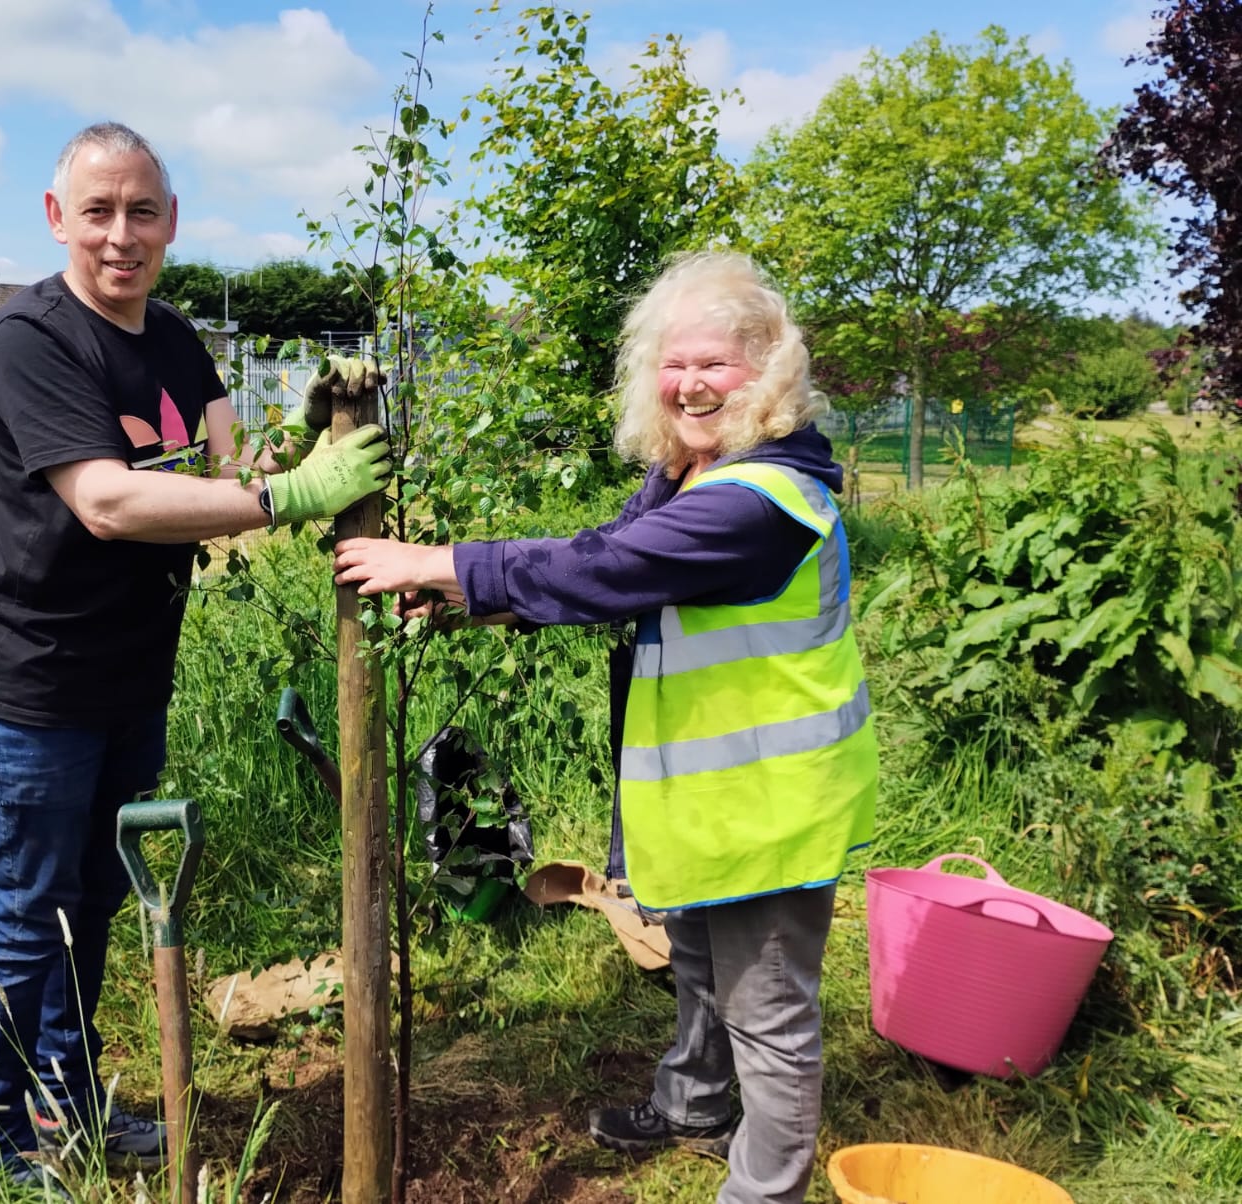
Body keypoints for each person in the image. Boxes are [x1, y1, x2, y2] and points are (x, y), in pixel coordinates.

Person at [332, 251, 878, 1204]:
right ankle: (696, 1106)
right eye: (675, 365)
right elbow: (605, 570)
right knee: (704, 969)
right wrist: (460, 603)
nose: (691, 383)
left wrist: (439, 561)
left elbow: (609, 567)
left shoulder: (763, 501)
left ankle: (764, 1190)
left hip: (773, 808)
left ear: (771, 375)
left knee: (771, 1015)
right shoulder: (699, 476)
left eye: (717, 365)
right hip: (718, 801)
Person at [0, 121, 390, 1186]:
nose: (120, 234)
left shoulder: (178, 339)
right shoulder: (30, 339)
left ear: (171, 223)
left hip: (130, 670)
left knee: (95, 897)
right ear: (58, 219)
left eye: (141, 210)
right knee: (29, 906)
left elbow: (234, 466)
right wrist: (291, 495)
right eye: (96, 211)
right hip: (33, 677)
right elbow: (106, 500)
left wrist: (316, 425)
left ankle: (68, 1096)